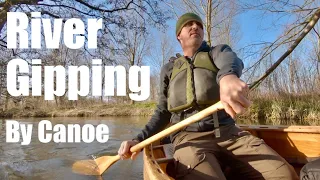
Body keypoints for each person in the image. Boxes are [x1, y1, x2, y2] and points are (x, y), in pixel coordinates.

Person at [118, 12, 299, 180]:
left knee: (286, 175)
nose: (195, 26)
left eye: (198, 24)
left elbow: (231, 61)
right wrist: (139, 139)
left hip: (230, 133)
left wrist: (228, 76)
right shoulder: (169, 70)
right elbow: (162, 112)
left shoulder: (216, 52)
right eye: (188, 24)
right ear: (178, 36)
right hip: (188, 139)